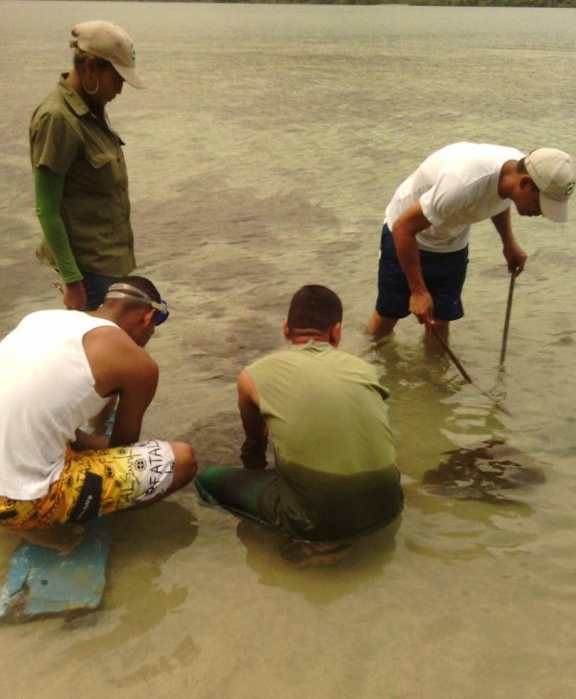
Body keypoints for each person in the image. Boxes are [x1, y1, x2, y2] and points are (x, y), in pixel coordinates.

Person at [195, 285, 403, 567]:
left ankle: (321, 546)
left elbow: (255, 441)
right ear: (336, 331)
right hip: (389, 503)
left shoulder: (252, 375)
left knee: (208, 480)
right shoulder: (364, 369)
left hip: (317, 522)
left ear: (285, 329)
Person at [0, 276, 196, 531]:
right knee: (182, 459)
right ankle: (44, 521)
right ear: (147, 318)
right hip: (18, 503)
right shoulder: (139, 363)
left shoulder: (40, 318)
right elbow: (120, 448)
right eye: (155, 325)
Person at [367, 142, 576, 339]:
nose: (541, 213)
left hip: (451, 242)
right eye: (541, 205)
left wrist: (508, 243)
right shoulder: (460, 184)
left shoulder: (518, 170)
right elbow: (404, 228)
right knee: (387, 317)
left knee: (440, 324)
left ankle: (434, 376)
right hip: (407, 234)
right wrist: (418, 291)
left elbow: (498, 199)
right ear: (524, 183)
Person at [30, 20, 145, 312]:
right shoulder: (57, 119)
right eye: (117, 79)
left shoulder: (92, 110)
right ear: (92, 67)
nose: (120, 89)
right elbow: (47, 208)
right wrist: (72, 283)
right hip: (88, 275)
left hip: (110, 263)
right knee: (101, 355)